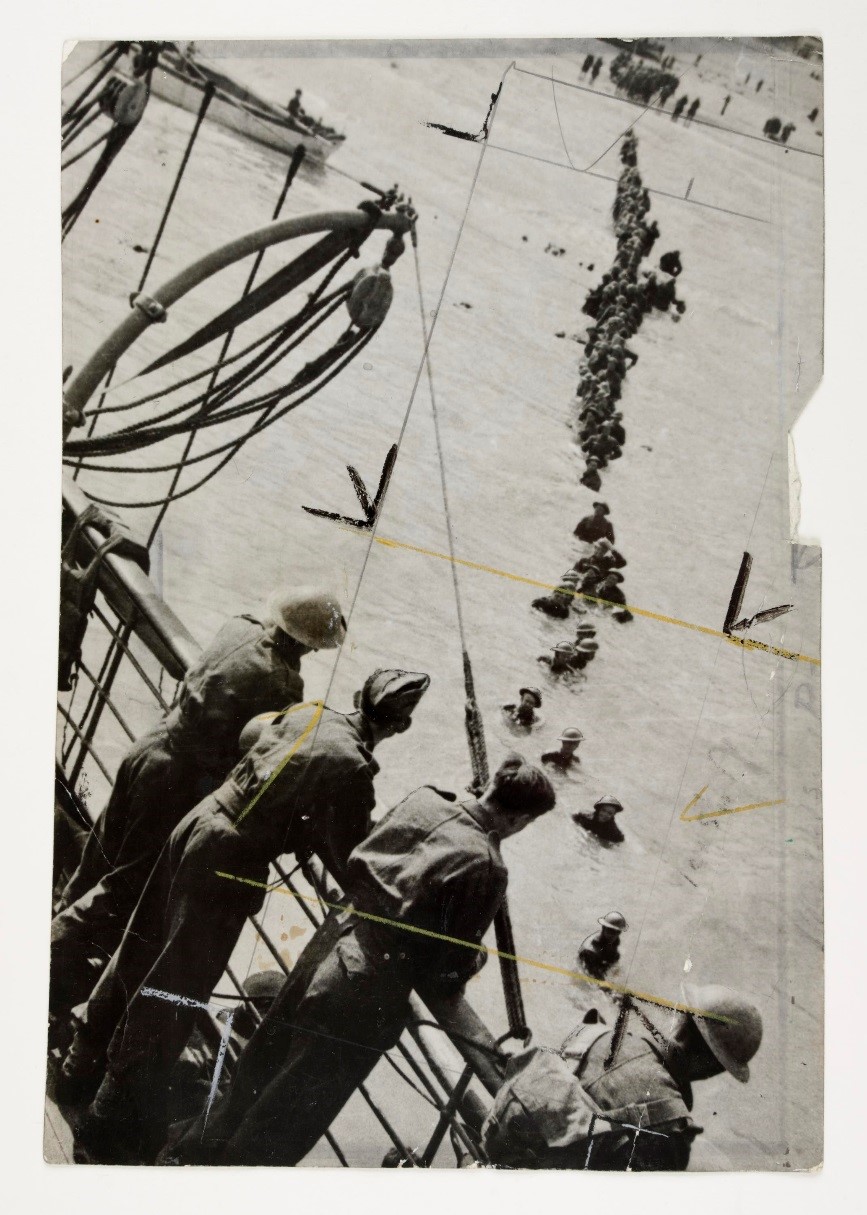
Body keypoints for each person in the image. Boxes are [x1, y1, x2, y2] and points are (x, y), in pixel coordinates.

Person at [60, 669, 430, 1154]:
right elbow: (351, 859)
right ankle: (110, 1117)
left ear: (359, 696)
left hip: (200, 821)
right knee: (175, 988)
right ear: (400, 726)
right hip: (227, 864)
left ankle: (77, 1066)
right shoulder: (355, 769)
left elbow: (251, 736)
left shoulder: (309, 711)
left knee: (138, 948)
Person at [168, 753, 558, 1165]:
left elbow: (367, 852)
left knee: (260, 1063)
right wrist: (472, 962)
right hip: (367, 987)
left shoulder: (426, 799)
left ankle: (188, 1155)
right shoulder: (487, 866)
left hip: (332, 938)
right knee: (291, 1112)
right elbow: (445, 969)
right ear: (519, 820)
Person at [49, 587, 346, 1024]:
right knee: (121, 891)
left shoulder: (237, 627)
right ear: (306, 644)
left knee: (96, 861)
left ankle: (55, 945)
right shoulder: (283, 683)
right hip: (174, 782)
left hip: (150, 746)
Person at [481, 985, 762, 1170]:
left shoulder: (598, 1031)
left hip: (496, 1131)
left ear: (678, 1018)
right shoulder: (672, 1127)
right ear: (714, 1067)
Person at [578, 911, 628, 979]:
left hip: (600, 963)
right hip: (585, 971)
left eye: (618, 932)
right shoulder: (589, 950)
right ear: (603, 928)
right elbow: (594, 980)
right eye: (611, 931)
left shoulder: (612, 940)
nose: (614, 935)